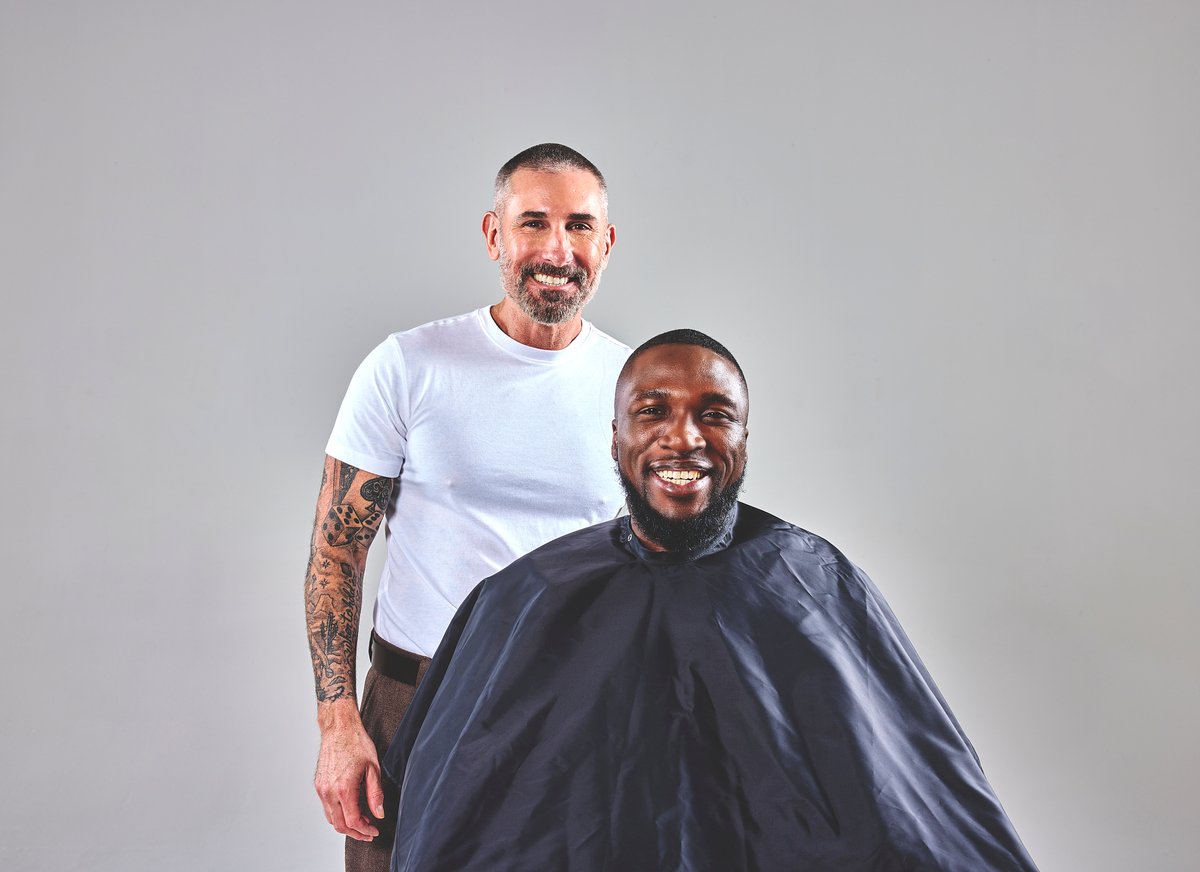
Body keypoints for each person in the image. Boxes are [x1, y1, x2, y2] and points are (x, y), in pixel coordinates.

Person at [382, 330, 1040, 871]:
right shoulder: (527, 596)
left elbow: (913, 797)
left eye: (715, 414)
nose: (684, 437)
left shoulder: (815, 584)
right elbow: (455, 810)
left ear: (743, 440)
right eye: (653, 411)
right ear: (614, 437)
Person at [303, 143, 630, 872]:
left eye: (578, 225)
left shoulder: (633, 388)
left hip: (573, 704)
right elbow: (336, 548)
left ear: (606, 243)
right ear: (494, 234)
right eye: (533, 222)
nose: (557, 250)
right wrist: (338, 723)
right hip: (416, 698)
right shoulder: (408, 366)